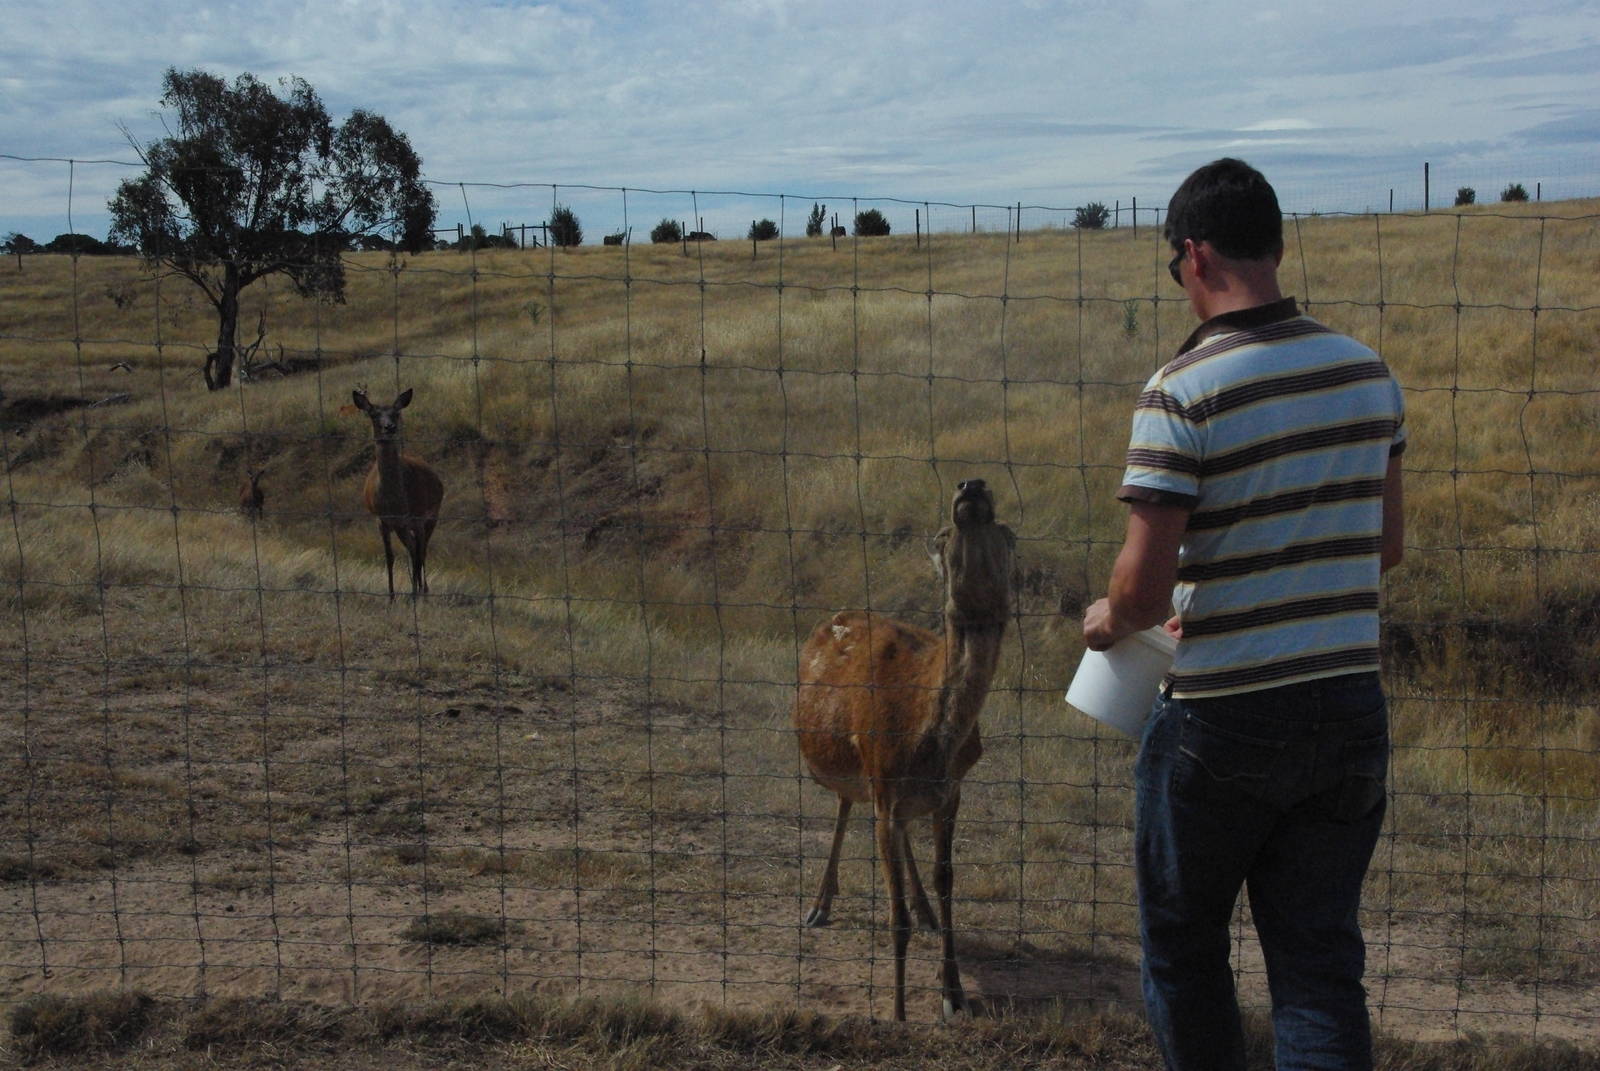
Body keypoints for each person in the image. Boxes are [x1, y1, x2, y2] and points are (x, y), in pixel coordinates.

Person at [1082, 158, 1406, 1070]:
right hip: (1348, 704)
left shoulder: (1180, 391)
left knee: (1185, 955)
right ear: (1274, 244)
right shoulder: (1367, 372)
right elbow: (1383, 546)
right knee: (1317, 966)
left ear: (1194, 255)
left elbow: (1141, 594)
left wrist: (1107, 620)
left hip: (1219, 720)